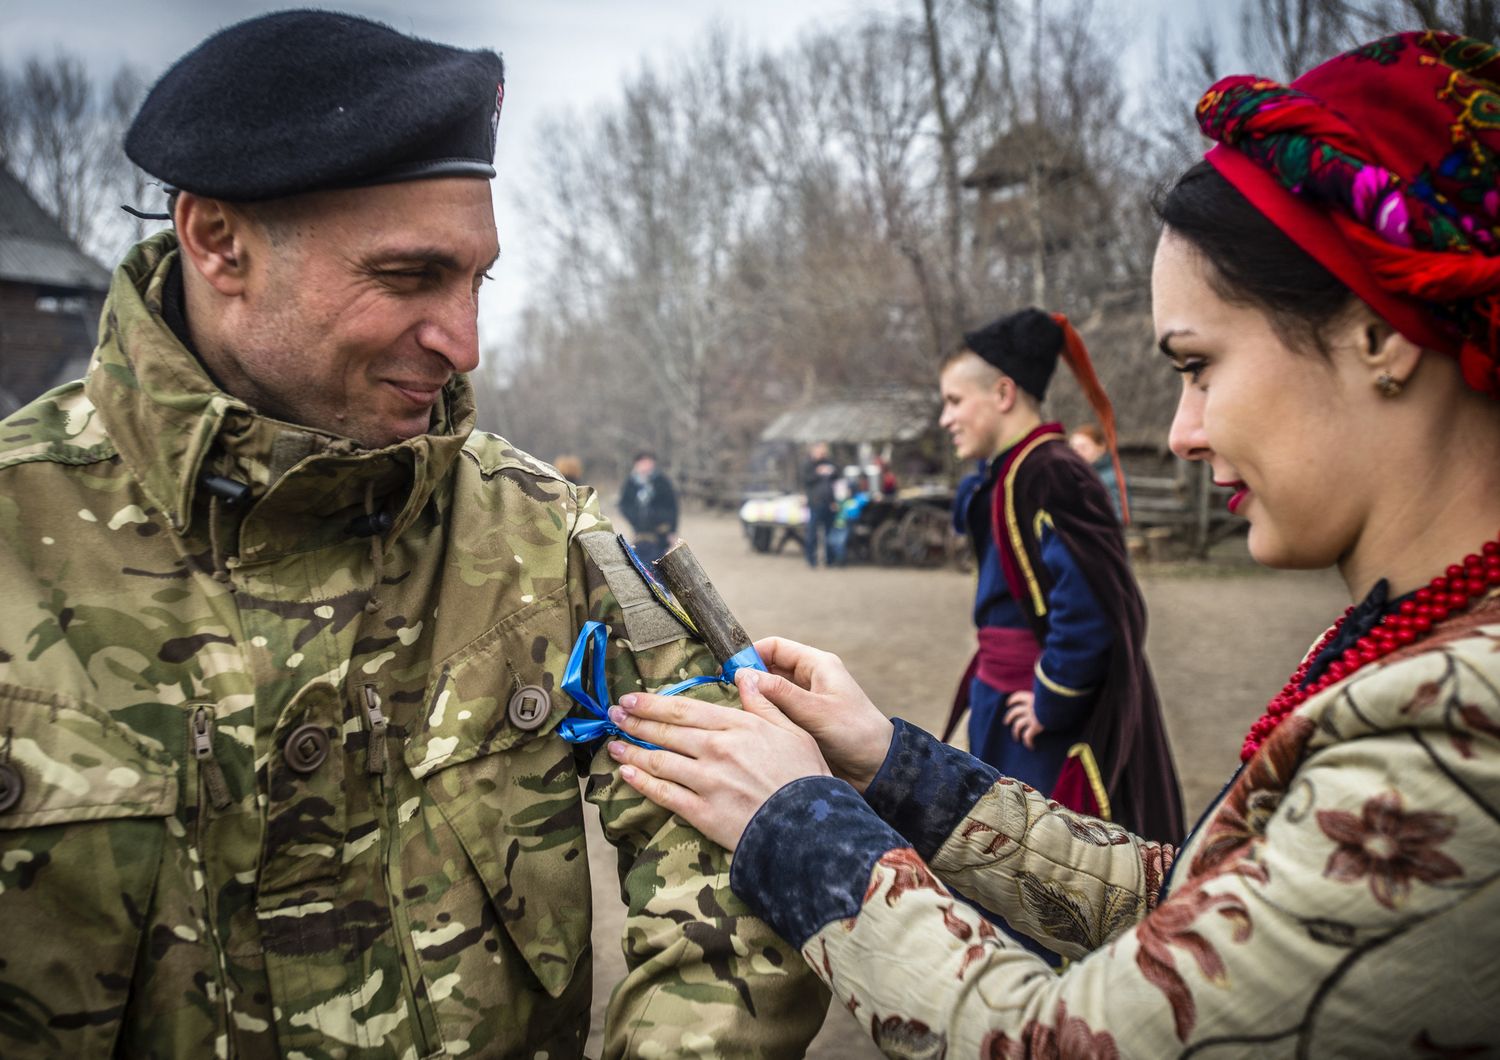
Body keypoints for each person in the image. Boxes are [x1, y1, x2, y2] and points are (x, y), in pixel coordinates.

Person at [602, 30, 1500, 1054]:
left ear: (1380, 332)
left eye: (1199, 366)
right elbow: (1191, 905)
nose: (1182, 430)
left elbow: (1072, 1037)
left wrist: (798, 820)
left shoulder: (1457, 728)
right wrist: (889, 762)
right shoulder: (1408, 639)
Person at [0, 12, 824, 1058]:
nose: (463, 342)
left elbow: (735, 849)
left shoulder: (539, 533)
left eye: (477, 280)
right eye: (408, 277)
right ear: (218, 241)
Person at [939, 309, 1182, 842]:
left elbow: (1093, 607)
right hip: (999, 698)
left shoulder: (1053, 474)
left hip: (1040, 719)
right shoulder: (1009, 471)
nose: (945, 418)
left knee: (1047, 862)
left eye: (955, 401)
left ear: (1003, 394)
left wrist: (1053, 697)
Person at [616, 449, 679, 565]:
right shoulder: (631, 483)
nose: (645, 465)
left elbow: (672, 507)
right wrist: (635, 518)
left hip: (660, 533)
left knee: (659, 565)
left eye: (648, 462)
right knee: (641, 566)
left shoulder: (662, 482)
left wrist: (672, 530)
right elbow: (623, 505)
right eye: (642, 462)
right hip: (640, 533)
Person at [1069, 422, 1124, 520]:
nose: (1077, 453)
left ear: (1101, 447)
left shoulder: (1113, 479)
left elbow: (1118, 516)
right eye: (1074, 449)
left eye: (1083, 447)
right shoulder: (1075, 474)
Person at [802, 441, 839, 567]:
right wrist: (818, 472)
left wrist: (830, 470)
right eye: (820, 451)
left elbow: (837, 476)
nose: (822, 454)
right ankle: (811, 559)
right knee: (813, 533)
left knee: (829, 533)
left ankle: (830, 560)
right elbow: (806, 480)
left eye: (824, 451)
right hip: (815, 503)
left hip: (829, 502)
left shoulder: (828, 463)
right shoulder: (808, 464)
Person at [828, 475, 872, 566]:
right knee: (833, 541)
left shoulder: (857, 499)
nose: (847, 492)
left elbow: (865, 499)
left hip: (846, 523)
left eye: (848, 490)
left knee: (840, 542)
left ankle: (841, 561)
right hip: (839, 524)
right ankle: (838, 559)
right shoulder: (843, 500)